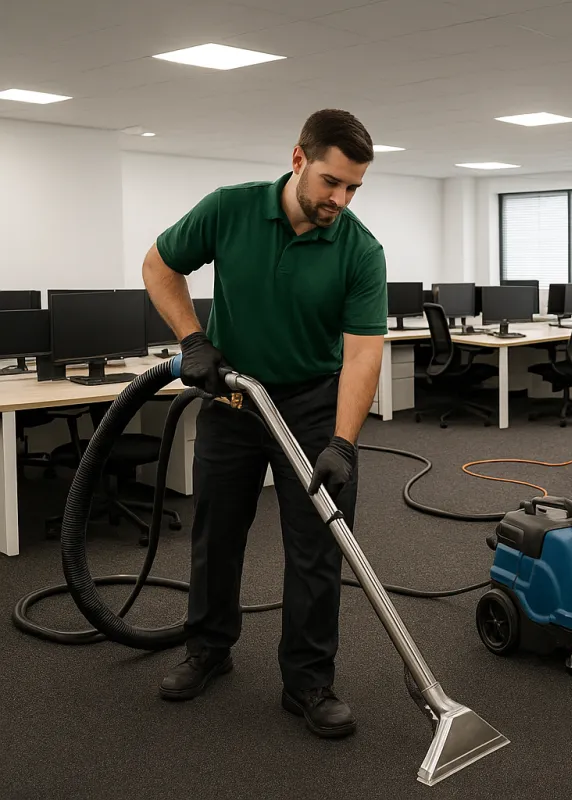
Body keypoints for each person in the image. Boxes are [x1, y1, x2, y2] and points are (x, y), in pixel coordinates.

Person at [142, 109, 387, 739]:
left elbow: (362, 352)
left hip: (310, 404)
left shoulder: (359, 248)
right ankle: (208, 649)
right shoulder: (230, 209)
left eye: (354, 187)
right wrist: (193, 340)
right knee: (216, 531)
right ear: (299, 159)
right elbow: (158, 265)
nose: (341, 198)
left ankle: (308, 681)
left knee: (316, 546)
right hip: (234, 400)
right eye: (333, 181)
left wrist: (343, 441)